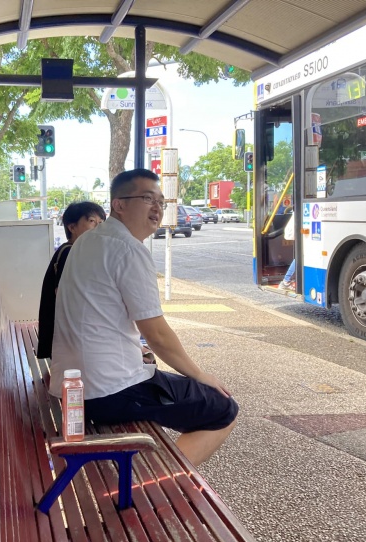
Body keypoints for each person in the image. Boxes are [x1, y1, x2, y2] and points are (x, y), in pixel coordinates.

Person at [49, 169, 238, 467]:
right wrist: (201, 375)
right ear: (119, 204)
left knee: (162, 377)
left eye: (161, 201)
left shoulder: (87, 241)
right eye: (147, 198)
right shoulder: (128, 249)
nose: (157, 208)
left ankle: (161, 475)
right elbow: (157, 334)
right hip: (109, 390)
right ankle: (162, 482)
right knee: (223, 408)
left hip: (73, 384)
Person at [37, 201, 106, 359]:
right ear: (72, 227)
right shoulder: (70, 253)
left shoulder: (73, 250)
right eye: (92, 221)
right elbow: (68, 297)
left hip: (69, 336)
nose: (98, 227)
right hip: (67, 339)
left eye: (101, 222)